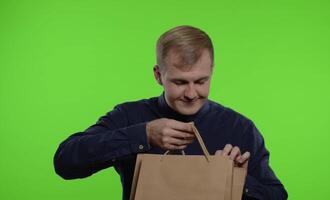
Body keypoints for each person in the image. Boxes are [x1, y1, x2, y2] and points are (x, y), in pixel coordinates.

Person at [54, 25, 288, 200]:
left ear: (212, 71)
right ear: (158, 75)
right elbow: (65, 161)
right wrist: (143, 135)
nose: (191, 93)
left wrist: (235, 180)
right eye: (180, 82)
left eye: (201, 81)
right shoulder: (129, 115)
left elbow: (278, 196)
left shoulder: (239, 127)